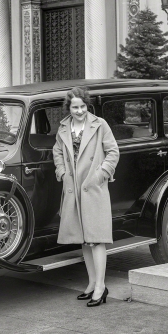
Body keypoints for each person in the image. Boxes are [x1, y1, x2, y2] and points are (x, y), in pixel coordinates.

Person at [53, 87, 119, 307]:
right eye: (75, 107)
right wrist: (62, 173)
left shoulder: (100, 125)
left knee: (97, 238)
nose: (80, 111)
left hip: (93, 188)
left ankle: (101, 286)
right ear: (69, 108)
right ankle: (92, 284)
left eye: (82, 106)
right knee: (84, 239)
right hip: (73, 189)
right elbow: (57, 153)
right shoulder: (63, 128)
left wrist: (100, 176)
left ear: (87, 106)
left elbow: (113, 152)